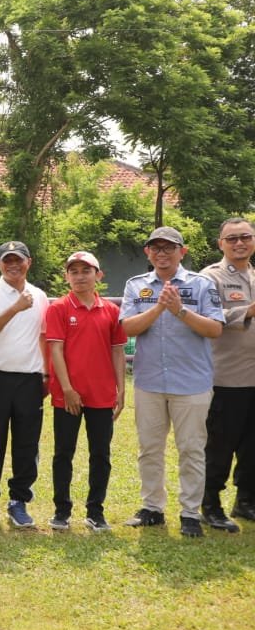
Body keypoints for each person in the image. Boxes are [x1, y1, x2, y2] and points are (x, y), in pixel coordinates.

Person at [119, 226, 224, 538]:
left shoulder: (203, 285)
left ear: (183, 251)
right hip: (149, 381)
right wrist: (160, 308)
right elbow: (127, 328)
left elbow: (215, 329)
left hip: (191, 383)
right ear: (147, 253)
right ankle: (152, 508)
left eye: (169, 247)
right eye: (156, 248)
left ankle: (190, 513)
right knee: (149, 449)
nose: (162, 253)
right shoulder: (136, 286)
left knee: (191, 449)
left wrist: (180, 311)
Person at [44, 251, 127, 532]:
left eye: (86, 271)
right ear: (67, 277)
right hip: (67, 395)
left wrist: (121, 390)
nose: (80, 276)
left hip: (102, 394)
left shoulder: (112, 311)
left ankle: (95, 511)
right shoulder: (58, 308)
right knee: (63, 453)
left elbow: (117, 353)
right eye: (74, 271)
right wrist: (67, 389)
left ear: (98, 276)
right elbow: (55, 350)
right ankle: (61, 511)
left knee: (100, 454)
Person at [0, 241, 48, 528]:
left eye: (18, 260)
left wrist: (46, 374)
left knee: (27, 443)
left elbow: (42, 336)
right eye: (7, 260)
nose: (13, 265)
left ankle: (19, 500)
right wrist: (15, 307)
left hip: (29, 378)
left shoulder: (39, 295)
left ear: (29, 262)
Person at [199, 217, 255, 530]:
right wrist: (246, 310)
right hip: (225, 379)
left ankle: (246, 501)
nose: (239, 243)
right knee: (220, 446)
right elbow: (208, 319)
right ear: (221, 243)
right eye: (231, 238)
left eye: (245, 237)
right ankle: (210, 503)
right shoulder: (210, 277)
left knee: (253, 447)